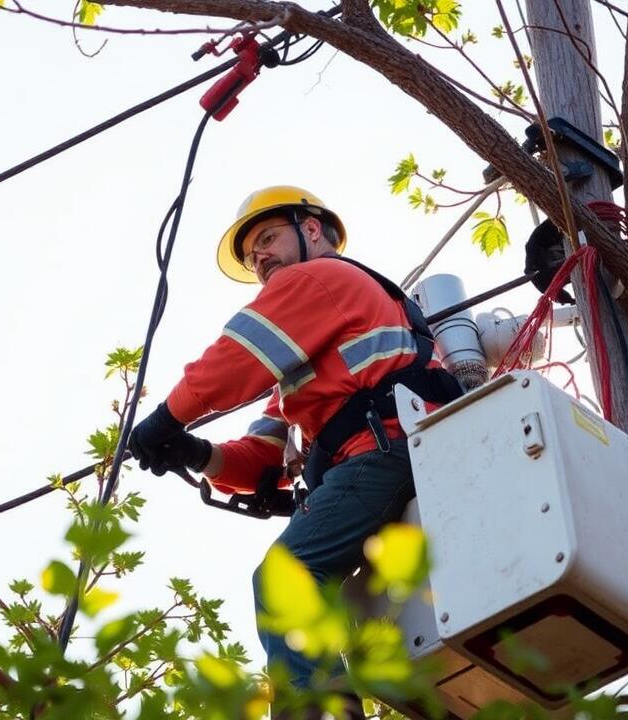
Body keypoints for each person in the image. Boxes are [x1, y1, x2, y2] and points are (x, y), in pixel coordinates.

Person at [127, 186, 462, 707]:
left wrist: (161, 421)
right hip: (385, 456)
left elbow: (230, 363)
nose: (259, 258)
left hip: (387, 448)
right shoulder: (305, 379)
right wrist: (194, 453)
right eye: (250, 254)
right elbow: (261, 462)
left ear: (310, 230)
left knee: (288, 576)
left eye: (267, 238)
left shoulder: (319, 278)